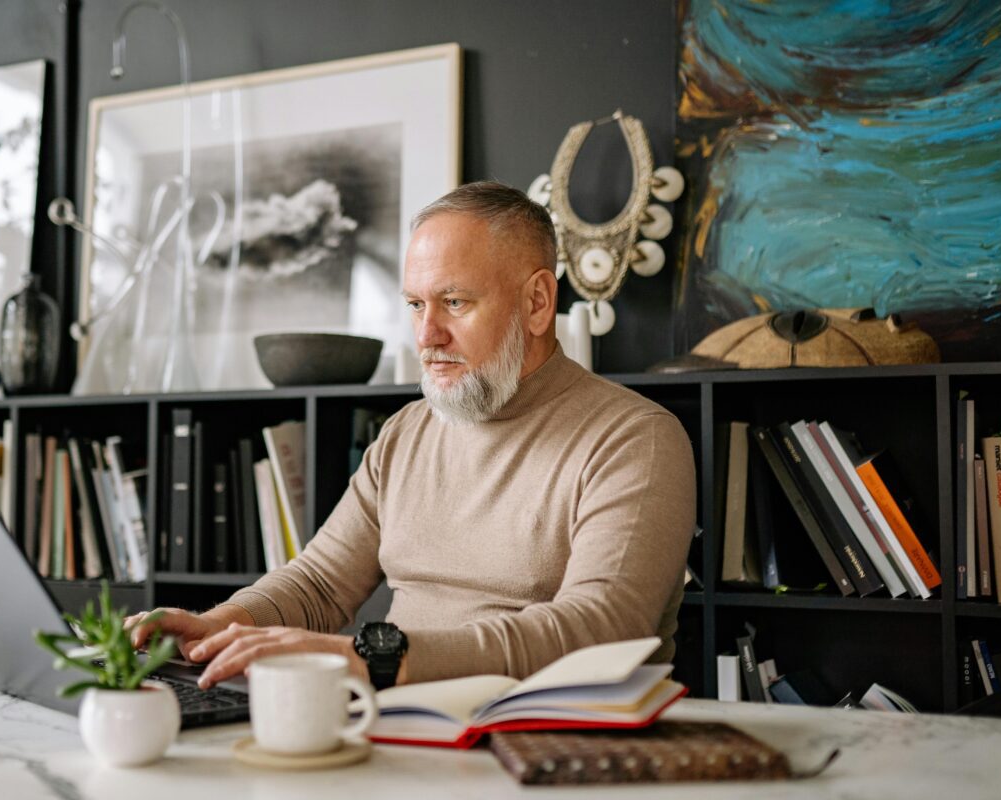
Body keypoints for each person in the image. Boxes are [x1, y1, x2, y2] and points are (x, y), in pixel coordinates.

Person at [129, 181, 696, 691]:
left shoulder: (635, 439)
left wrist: (380, 660)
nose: (428, 335)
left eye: (454, 302)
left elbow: (602, 629)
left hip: (551, 746)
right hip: (400, 725)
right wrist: (220, 624)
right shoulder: (406, 433)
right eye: (415, 305)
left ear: (537, 303)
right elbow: (321, 583)